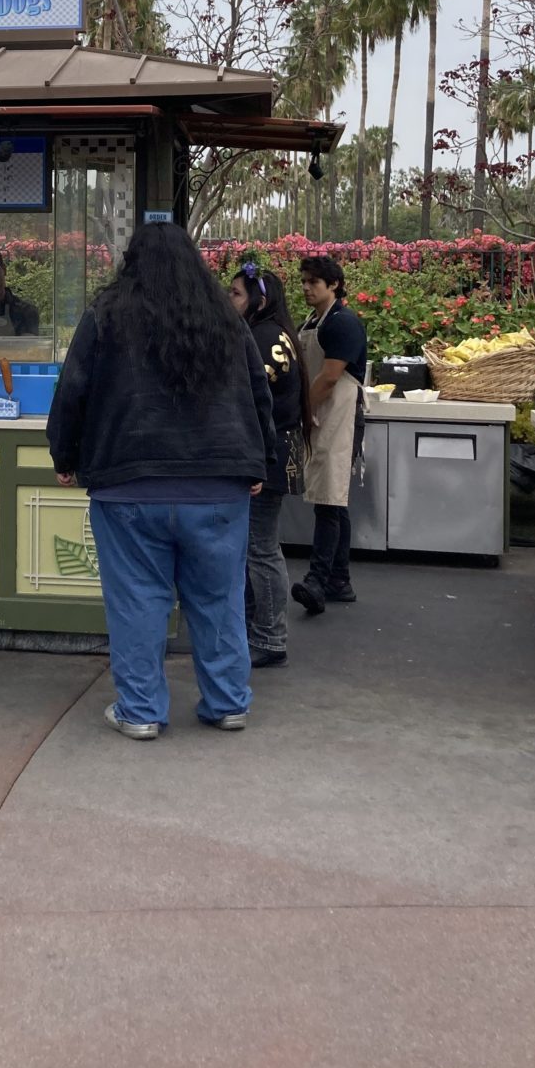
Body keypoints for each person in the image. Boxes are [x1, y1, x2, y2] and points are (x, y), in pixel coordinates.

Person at [47, 221, 277, 739]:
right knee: (218, 598)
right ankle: (227, 703)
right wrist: (257, 461)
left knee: (138, 601)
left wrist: (65, 454)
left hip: (128, 483)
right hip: (219, 482)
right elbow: (258, 390)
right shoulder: (224, 316)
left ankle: (141, 711)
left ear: (132, 262)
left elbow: (73, 390)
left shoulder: (105, 313)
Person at [229, 264, 312, 668]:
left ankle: (270, 636)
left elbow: (245, 395)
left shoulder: (263, 338)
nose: (230, 301)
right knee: (255, 548)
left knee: (261, 549)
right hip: (277, 451)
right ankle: (253, 628)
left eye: (236, 294)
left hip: (268, 455)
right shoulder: (275, 333)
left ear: (259, 300)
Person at [292, 254, 367, 617]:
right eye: (304, 281)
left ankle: (318, 580)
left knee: (330, 497)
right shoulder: (313, 320)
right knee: (332, 497)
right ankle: (340, 580)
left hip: (337, 413)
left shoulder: (343, 323)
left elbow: (331, 376)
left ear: (333, 284)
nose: (306, 288)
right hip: (322, 411)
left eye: (313, 282)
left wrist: (303, 410)